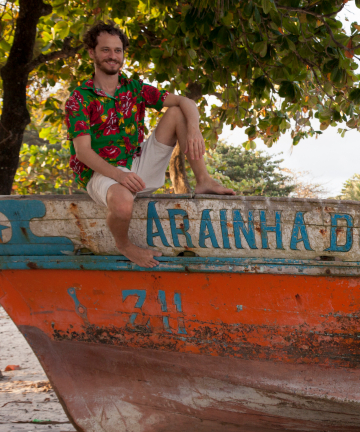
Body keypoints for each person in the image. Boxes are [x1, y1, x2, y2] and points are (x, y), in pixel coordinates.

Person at [64, 22, 234, 269]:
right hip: (101, 172)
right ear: (92, 52)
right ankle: (125, 245)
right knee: (122, 203)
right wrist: (118, 177)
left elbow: (186, 101)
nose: (113, 56)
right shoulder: (79, 99)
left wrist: (195, 129)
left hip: (136, 162)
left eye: (118, 50)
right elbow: (83, 152)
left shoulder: (134, 88)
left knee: (177, 112)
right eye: (105, 50)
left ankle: (204, 180)